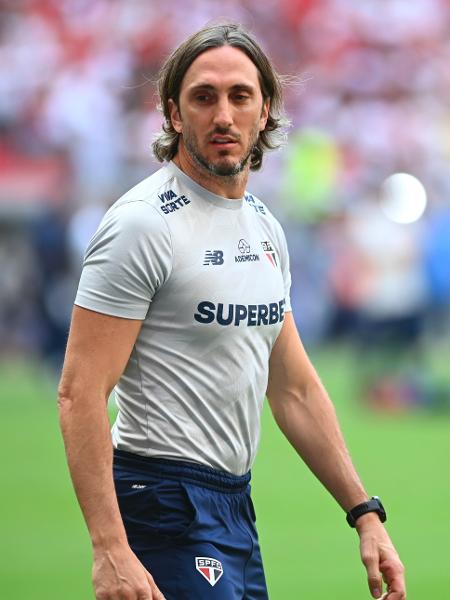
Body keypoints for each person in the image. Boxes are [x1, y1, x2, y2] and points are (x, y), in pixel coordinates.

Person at [58, 22, 406, 600]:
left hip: (234, 505)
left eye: (240, 96)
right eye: (204, 97)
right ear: (173, 113)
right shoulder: (143, 225)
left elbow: (292, 386)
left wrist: (365, 513)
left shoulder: (265, 226)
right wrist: (110, 549)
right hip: (160, 498)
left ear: (265, 110)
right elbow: (79, 392)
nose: (224, 115)